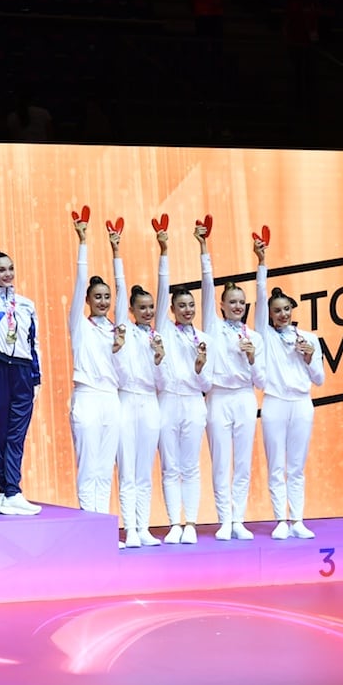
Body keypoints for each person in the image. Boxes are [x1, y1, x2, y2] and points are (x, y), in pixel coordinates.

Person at [0, 181, 43, 515]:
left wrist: (37, 378)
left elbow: (34, 342)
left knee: (17, 433)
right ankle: (5, 492)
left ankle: (12, 489)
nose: (7, 274)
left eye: (10, 269)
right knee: (0, 431)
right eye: (0, 270)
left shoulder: (27, 304)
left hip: (23, 372)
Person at [253, 232, 325, 539]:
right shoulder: (265, 336)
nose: (282, 314)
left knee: (296, 465)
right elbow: (259, 295)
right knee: (276, 465)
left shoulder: (308, 338)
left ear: (292, 310)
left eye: (286, 309)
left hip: (301, 403)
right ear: (269, 313)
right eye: (276, 310)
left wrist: (309, 358)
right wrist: (262, 262)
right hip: (274, 404)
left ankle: (297, 519)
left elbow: (320, 379)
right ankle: (280, 519)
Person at [196, 217, 264, 540]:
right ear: (221, 306)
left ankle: (239, 518)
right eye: (231, 302)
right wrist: (203, 247)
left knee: (243, 462)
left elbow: (261, 377)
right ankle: (225, 519)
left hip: (244, 397)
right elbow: (207, 285)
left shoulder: (254, 337)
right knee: (221, 461)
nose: (236, 306)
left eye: (241, 302)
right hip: (219, 397)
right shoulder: (213, 327)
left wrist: (251, 356)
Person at [110, 224, 169, 546]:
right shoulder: (125, 330)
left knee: (145, 470)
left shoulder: (157, 337)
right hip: (126, 401)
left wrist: (159, 359)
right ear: (131, 311)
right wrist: (116, 252)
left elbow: (162, 381)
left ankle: (143, 527)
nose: (148, 312)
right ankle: (129, 528)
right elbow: (120, 290)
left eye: (151, 308)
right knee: (127, 469)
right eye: (141, 308)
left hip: (150, 403)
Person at [155, 221, 212, 544]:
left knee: (190, 465)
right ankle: (173, 523)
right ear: (172, 309)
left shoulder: (204, 338)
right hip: (168, 400)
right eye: (182, 306)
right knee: (170, 466)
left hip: (193, 402)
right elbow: (163, 289)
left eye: (191, 305)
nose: (188, 309)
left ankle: (190, 522)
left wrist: (201, 366)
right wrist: (165, 251)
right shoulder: (164, 329)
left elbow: (208, 382)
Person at [66, 208, 124, 523]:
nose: (102, 301)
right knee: (88, 465)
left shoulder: (116, 329)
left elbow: (125, 296)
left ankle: (102, 524)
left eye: (107, 297)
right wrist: (84, 242)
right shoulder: (80, 326)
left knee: (105, 467)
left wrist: (117, 252)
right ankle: (90, 526)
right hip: (87, 396)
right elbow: (78, 282)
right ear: (87, 300)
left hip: (111, 399)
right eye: (96, 296)